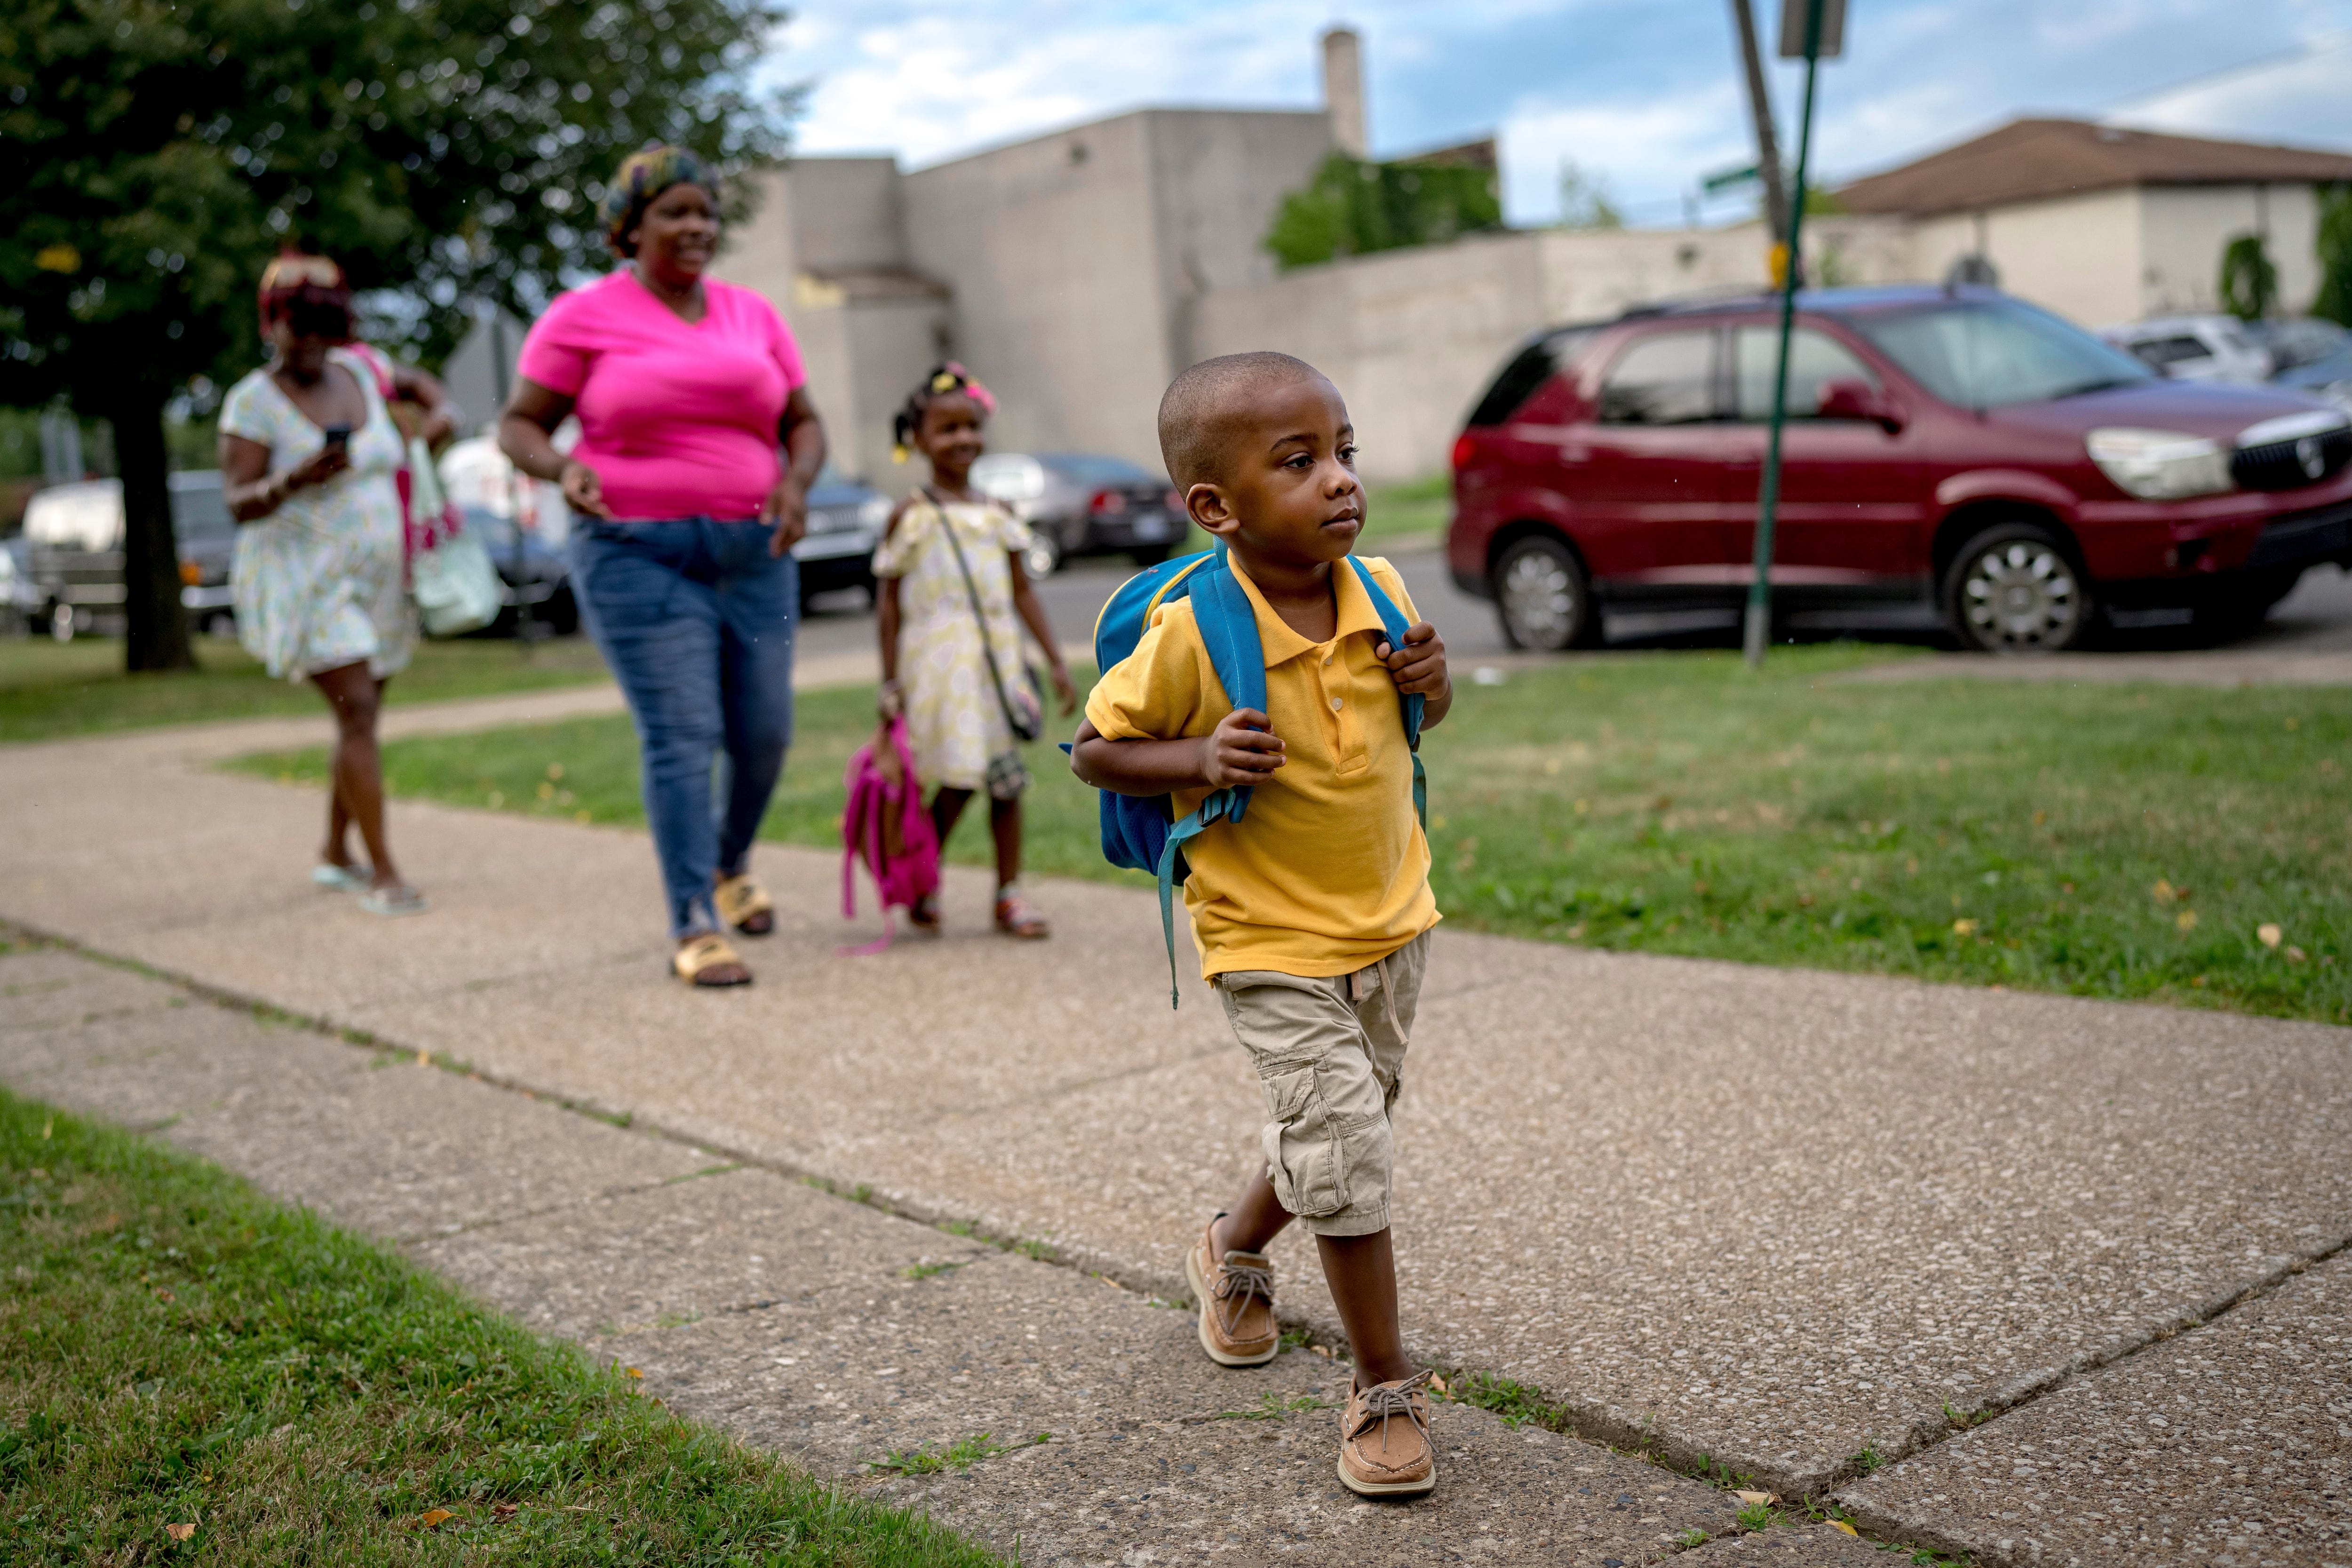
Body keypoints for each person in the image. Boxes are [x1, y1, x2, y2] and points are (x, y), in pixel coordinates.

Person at [1070, 352, 1453, 1498]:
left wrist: (1432, 678)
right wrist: (1193, 756)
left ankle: (1231, 1248)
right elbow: (1093, 750)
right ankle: (1381, 1388)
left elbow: (1425, 715)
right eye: (1300, 463)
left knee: (1344, 1127)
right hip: (1265, 934)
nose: (1338, 480)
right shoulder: (1193, 627)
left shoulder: (1381, 586)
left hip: (1392, 917)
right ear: (1215, 507)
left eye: (1344, 451)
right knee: (1345, 1145)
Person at [499, 146, 826, 987]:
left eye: (706, 213)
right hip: (637, 555)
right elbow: (520, 424)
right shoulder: (581, 316)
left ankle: (729, 861)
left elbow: (804, 422)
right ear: (630, 227)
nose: (696, 227)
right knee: (683, 734)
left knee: (764, 734)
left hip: (756, 552)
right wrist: (559, 468)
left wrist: (795, 480)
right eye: (675, 212)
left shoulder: (752, 315)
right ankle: (693, 919)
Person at [219, 251, 456, 917]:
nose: (316, 342)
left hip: (378, 579)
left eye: (327, 326)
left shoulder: (362, 371)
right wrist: (296, 478)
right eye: (301, 326)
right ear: (273, 325)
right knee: (356, 711)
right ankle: (384, 873)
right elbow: (238, 500)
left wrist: (442, 418)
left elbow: (429, 390)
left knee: (362, 718)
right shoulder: (252, 403)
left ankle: (332, 851)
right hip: (306, 580)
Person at [873, 364, 1076, 938]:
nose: (962, 439)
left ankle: (1008, 893)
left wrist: (1055, 662)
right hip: (939, 671)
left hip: (996, 667)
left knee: (1006, 782)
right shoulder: (909, 516)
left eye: (971, 427)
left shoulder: (998, 514)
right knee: (958, 780)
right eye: (946, 429)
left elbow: (1021, 590)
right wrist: (889, 682)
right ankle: (921, 877)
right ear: (915, 440)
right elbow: (887, 605)